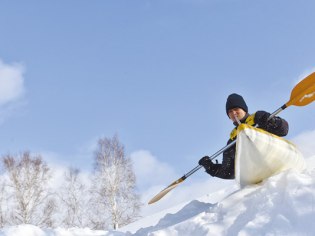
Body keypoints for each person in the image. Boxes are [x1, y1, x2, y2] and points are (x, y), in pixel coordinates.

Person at [198, 93, 289, 179]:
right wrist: (211, 168)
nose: (233, 113)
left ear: (244, 109)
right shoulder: (232, 141)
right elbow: (228, 172)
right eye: (230, 111)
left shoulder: (259, 117)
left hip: (277, 156)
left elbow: (284, 130)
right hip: (255, 172)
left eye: (236, 109)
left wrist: (273, 121)